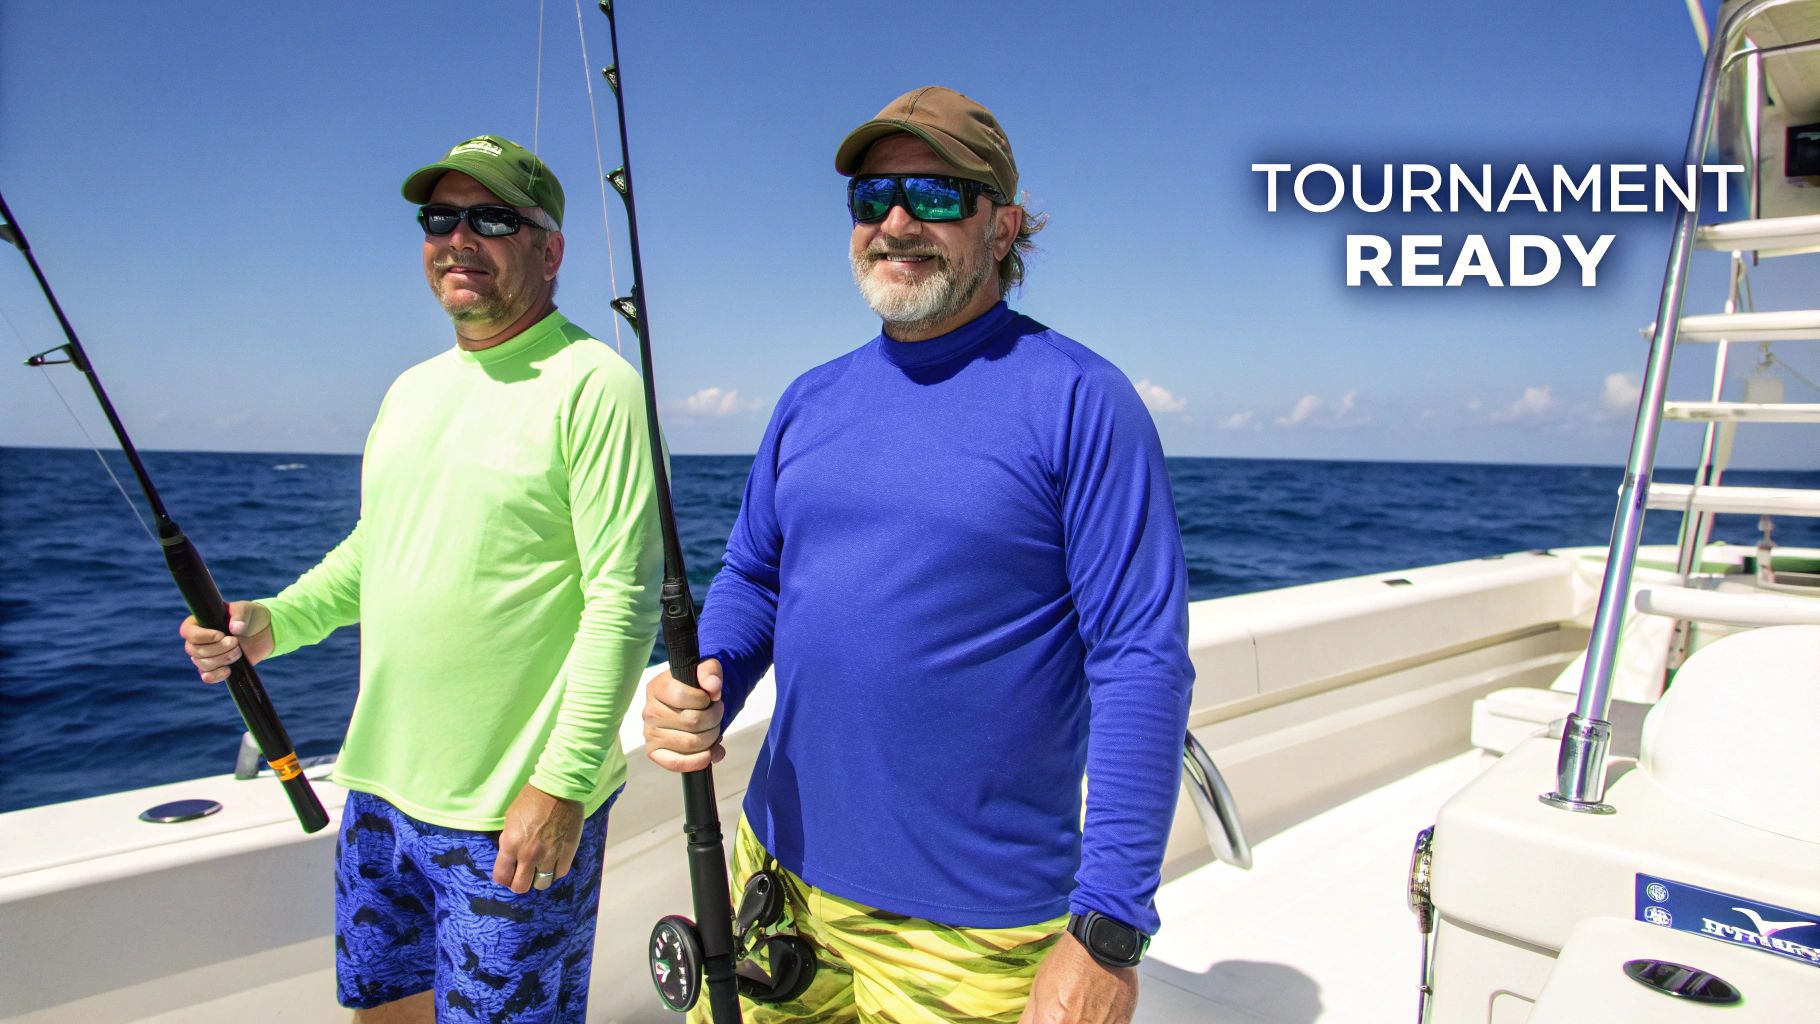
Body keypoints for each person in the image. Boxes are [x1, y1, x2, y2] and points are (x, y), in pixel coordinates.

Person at [642, 87, 1193, 1024]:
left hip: (973, 930)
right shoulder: (807, 401)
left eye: (936, 195)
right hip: (777, 875)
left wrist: (1106, 928)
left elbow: (1141, 661)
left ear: (1002, 224)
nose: (897, 221)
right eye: (872, 197)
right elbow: (757, 576)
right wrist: (712, 678)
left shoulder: (1083, 402)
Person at [179, 134, 663, 1024]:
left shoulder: (595, 384)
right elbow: (376, 552)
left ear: (549, 249)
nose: (458, 239)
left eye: (491, 218)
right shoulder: (409, 391)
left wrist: (559, 785)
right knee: (383, 1011)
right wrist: (272, 622)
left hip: (510, 813)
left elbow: (622, 604)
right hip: (380, 794)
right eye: (440, 218)